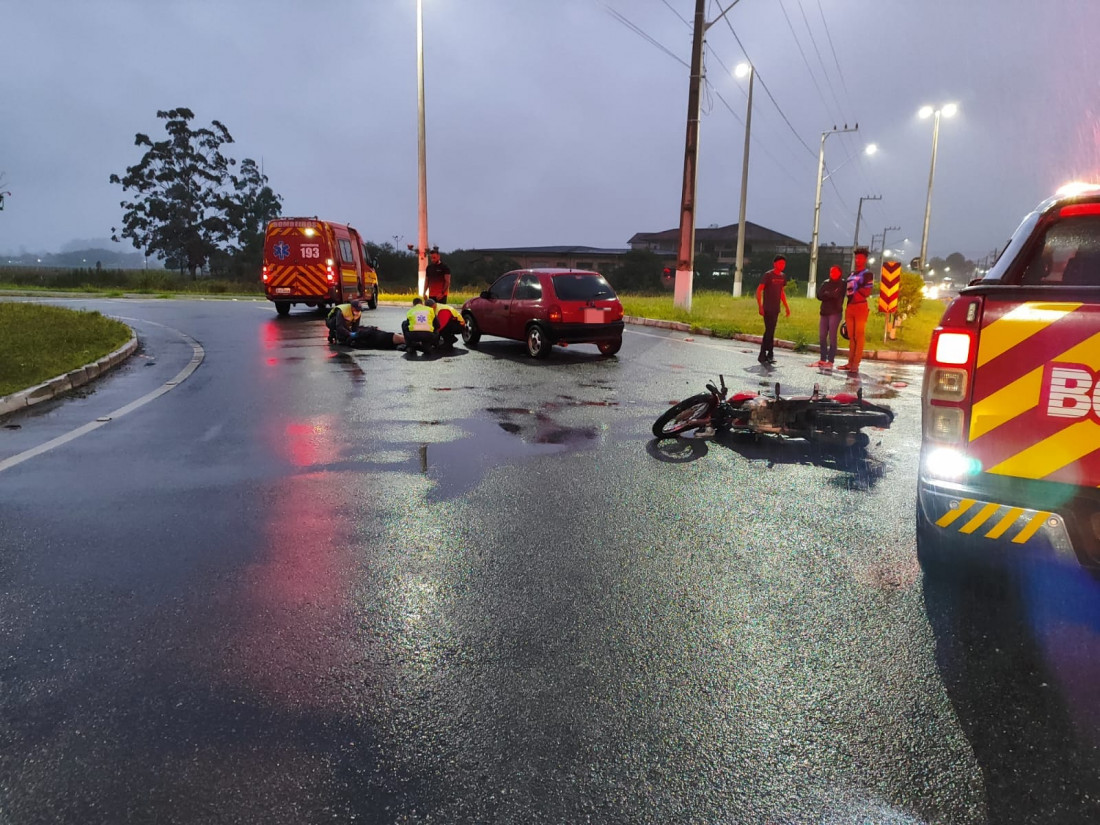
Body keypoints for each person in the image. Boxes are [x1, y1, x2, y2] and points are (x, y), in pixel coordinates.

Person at [840, 247, 874, 373]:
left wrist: (856, 292)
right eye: (856, 257)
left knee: (859, 335)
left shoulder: (867, 274)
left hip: (860, 306)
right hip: (850, 307)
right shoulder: (851, 274)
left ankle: (856, 364)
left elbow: (867, 291)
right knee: (851, 336)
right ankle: (850, 362)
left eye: (860, 258)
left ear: (865, 259)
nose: (858, 260)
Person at [755, 254, 791, 364]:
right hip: (767, 307)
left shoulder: (782, 276)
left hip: (776, 308)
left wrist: (786, 307)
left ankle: (768, 354)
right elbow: (759, 290)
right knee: (769, 331)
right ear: (775, 264)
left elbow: (781, 292)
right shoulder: (768, 275)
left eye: (784, 263)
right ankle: (763, 354)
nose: (782, 265)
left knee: (771, 331)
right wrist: (760, 306)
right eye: (780, 263)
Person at [813, 265, 845, 368]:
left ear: (840, 273)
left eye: (835, 272)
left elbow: (836, 296)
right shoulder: (826, 282)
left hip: (835, 312)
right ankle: (823, 358)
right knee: (822, 336)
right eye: (831, 272)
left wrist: (827, 294)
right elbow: (819, 295)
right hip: (824, 312)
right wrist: (828, 294)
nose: (832, 274)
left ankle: (830, 360)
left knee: (832, 336)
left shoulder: (842, 283)